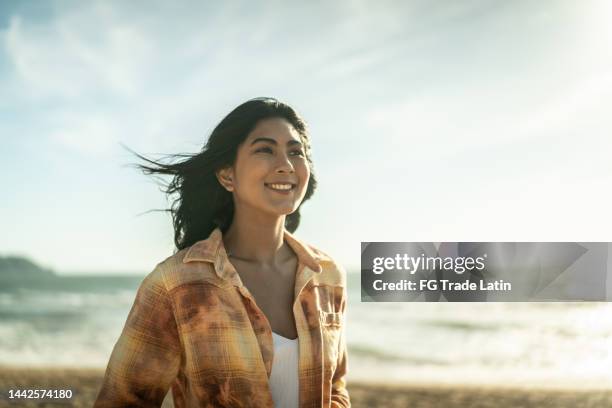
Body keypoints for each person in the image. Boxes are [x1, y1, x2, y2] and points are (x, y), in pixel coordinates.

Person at [94, 97, 350, 407]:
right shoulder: (176, 284)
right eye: (265, 149)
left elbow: (335, 387)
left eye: (296, 152)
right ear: (227, 175)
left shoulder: (326, 275)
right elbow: (124, 400)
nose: (285, 164)